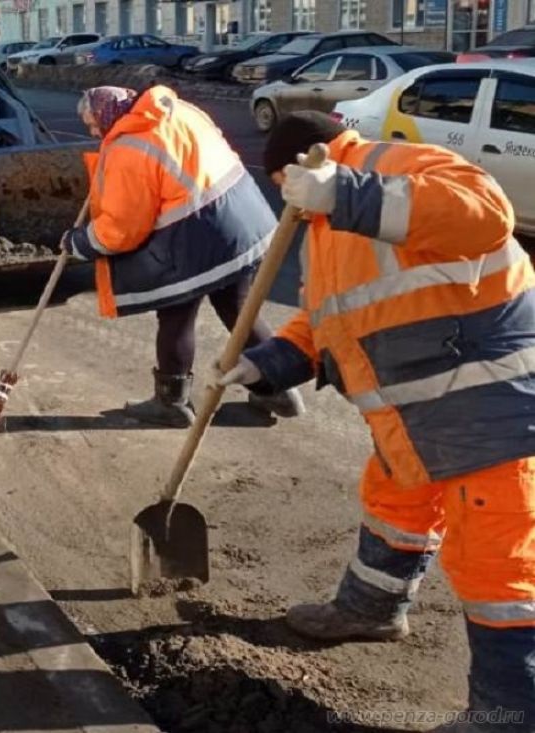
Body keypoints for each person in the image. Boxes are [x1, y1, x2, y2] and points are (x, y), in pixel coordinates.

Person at [218, 110, 535, 731]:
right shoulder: (324, 230)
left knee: (499, 571)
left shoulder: (391, 168)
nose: (288, 200)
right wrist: (265, 365)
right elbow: (330, 319)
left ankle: (510, 715)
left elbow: (484, 215)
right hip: (411, 419)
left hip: (489, 418)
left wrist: (346, 192)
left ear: (300, 164)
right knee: (393, 507)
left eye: (284, 183)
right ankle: (371, 609)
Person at [62, 85, 304, 427]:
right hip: (243, 219)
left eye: (92, 123)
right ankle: (277, 387)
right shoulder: (178, 110)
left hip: (201, 234)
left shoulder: (128, 146)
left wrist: (80, 243)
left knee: (176, 316)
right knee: (237, 307)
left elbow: (122, 228)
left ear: (106, 114)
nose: (93, 131)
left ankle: (171, 403)